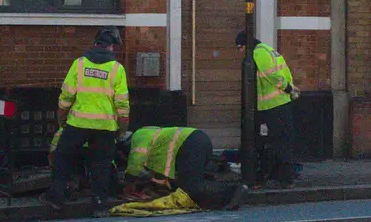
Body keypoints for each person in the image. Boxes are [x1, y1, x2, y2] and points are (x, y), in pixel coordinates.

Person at [46, 27, 129, 210]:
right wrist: (121, 130)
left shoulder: (80, 64)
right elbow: (122, 106)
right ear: (111, 47)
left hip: (77, 124)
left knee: (63, 157)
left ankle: (56, 198)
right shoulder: (117, 69)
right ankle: (99, 204)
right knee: (101, 165)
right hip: (105, 127)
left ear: (96, 44)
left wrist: (62, 121)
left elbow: (66, 97)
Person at [236, 31, 298, 188]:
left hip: (274, 105)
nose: (240, 52)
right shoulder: (268, 49)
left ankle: (284, 178)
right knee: (281, 140)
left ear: (246, 45)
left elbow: (273, 76)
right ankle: (281, 175)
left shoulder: (259, 53)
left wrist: (288, 88)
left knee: (279, 142)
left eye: (239, 47)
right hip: (279, 103)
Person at [129, 124, 241, 211]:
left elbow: (135, 161)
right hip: (195, 140)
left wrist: (129, 182)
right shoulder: (156, 138)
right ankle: (221, 199)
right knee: (186, 188)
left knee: (191, 189)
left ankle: (232, 191)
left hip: (191, 142)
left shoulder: (139, 135)